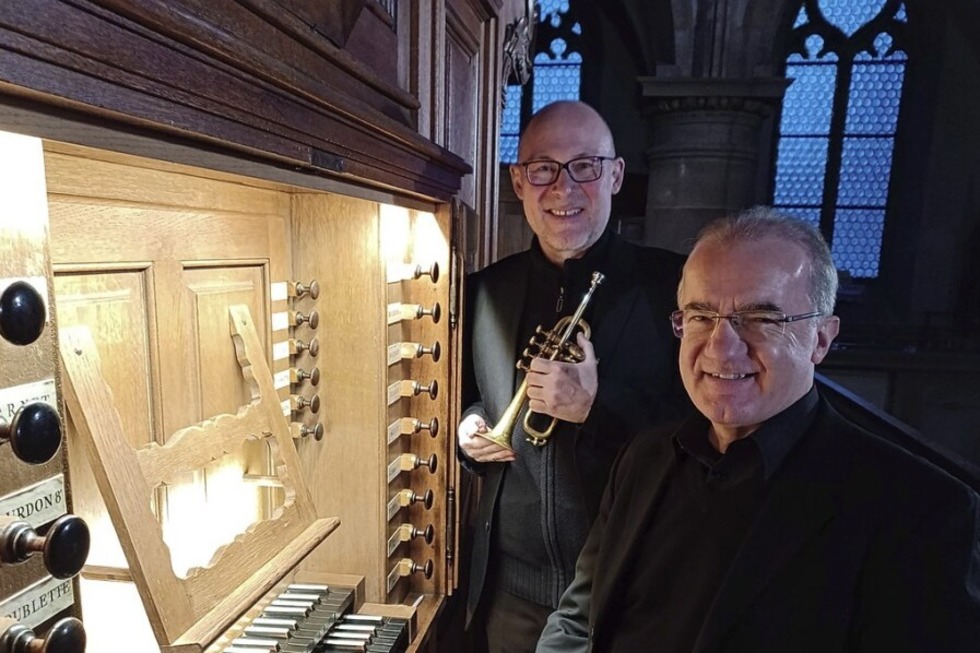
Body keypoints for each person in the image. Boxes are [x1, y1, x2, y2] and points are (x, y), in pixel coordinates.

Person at [536, 206, 980, 652]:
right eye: (701, 316)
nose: (721, 349)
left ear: (821, 339)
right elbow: (577, 623)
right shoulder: (643, 457)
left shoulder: (921, 510)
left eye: (761, 319)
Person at [457, 100, 689, 652]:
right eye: (543, 169)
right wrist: (469, 430)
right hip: (510, 596)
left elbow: (707, 434)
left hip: (634, 591)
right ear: (518, 181)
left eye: (585, 166)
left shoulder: (674, 286)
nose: (563, 189)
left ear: (615, 174)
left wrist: (595, 409)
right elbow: (469, 396)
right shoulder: (484, 290)